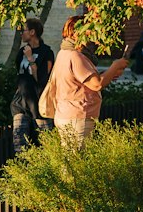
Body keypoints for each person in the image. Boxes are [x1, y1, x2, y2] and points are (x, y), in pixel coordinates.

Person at [46, 15, 132, 147]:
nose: (91, 35)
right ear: (77, 33)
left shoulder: (63, 53)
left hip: (67, 114)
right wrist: (115, 65)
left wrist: (110, 73)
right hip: (77, 117)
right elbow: (96, 84)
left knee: (70, 160)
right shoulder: (75, 56)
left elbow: (82, 81)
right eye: (88, 30)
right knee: (76, 163)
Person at [11, 17, 55, 153]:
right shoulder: (21, 52)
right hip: (21, 104)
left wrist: (31, 59)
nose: (21, 34)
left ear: (32, 32)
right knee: (20, 146)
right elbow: (20, 75)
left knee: (46, 147)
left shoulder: (46, 53)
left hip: (39, 104)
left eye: (23, 31)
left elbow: (41, 80)